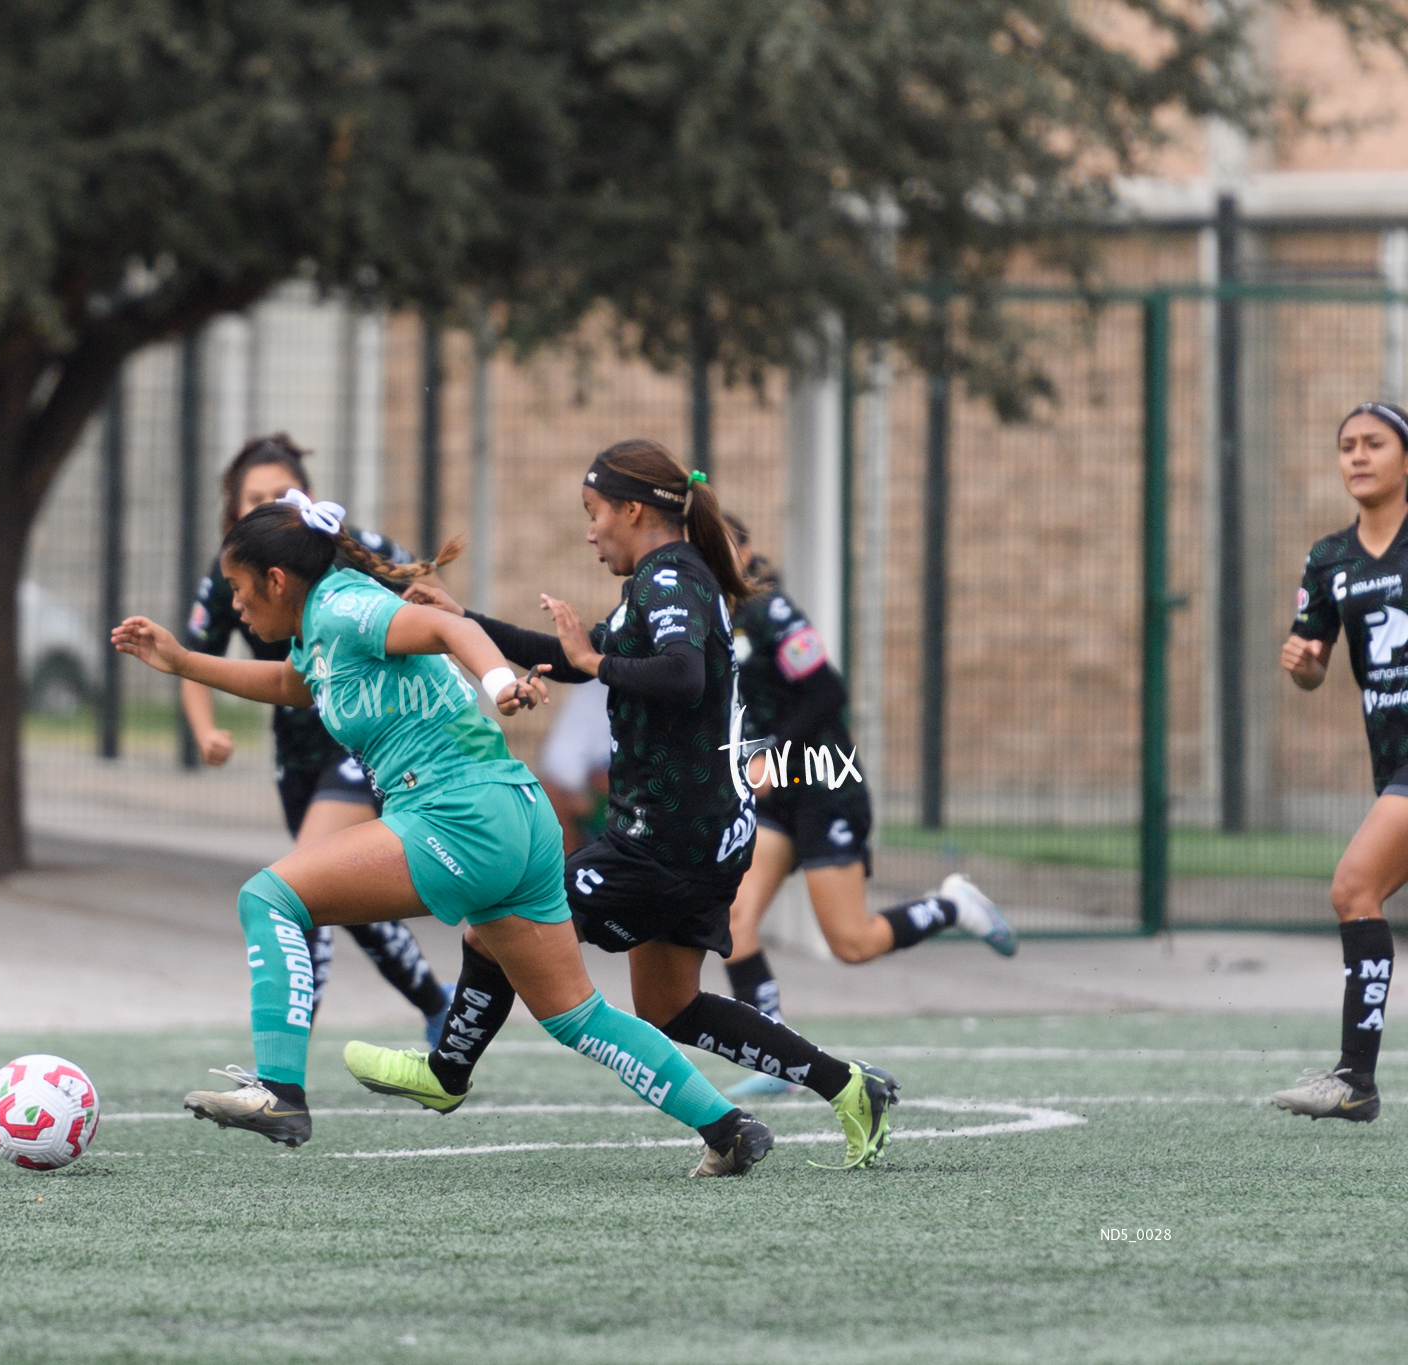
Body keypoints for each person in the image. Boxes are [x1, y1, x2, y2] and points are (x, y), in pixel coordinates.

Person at [113, 489, 779, 1177]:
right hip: (515, 817)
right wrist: (182, 661)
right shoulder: (322, 628)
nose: (237, 604)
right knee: (576, 1014)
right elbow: (294, 682)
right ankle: (727, 1127)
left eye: (238, 588)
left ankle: (278, 1090)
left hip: (456, 817)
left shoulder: (344, 607)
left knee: (268, 897)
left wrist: (498, 680)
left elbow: (446, 630)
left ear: (276, 579)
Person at [339, 439, 899, 1168]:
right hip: (703, 834)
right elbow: (575, 658)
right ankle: (848, 1086)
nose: (590, 529)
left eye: (594, 511)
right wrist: (464, 621)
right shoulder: (668, 579)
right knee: (670, 1008)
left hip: (665, 838)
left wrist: (599, 661)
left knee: (496, 926)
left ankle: (447, 1072)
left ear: (633, 509)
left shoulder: (672, 578)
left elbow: (680, 676)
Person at [716, 516, 1015, 1094]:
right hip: (777, 795)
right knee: (734, 922)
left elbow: (828, 691)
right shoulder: (708, 616)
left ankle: (954, 906)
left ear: (745, 550)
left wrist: (771, 755)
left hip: (823, 785)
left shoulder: (770, 612)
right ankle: (775, 1056)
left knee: (851, 944)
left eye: (716, 544)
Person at [182, 436, 452, 1047]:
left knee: (299, 885)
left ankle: (285, 1055)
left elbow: (429, 602)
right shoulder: (233, 574)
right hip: (297, 749)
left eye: (281, 494)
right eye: (256, 498)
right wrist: (207, 732)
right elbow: (200, 657)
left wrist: (476, 667)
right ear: (234, 510)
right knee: (343, 899)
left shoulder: (347, 554)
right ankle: (440, 1004)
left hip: (360, 742)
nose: (269, 504)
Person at [1273, 400, 1408, 1123]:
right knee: (1359, 890)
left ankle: (1355, 1078)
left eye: (1375, 443)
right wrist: (1303, 662)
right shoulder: (1330, 558)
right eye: (1347, 445)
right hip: (1390, 762)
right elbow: (1313, 664)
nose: (1358, 455)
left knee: (1355, 883)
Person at [537, 677, 612, 853]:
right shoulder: (595, 688)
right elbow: (559, 761)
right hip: (597, 798)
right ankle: (567, 877)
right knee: (548, 797)